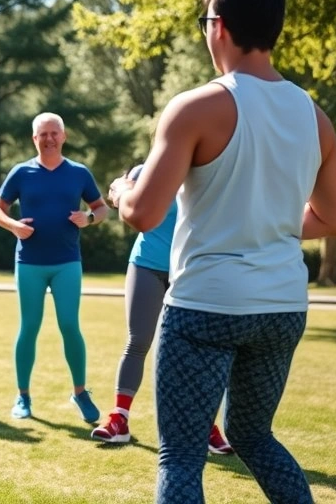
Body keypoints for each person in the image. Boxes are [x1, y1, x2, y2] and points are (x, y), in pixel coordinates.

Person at [108, 0, 336, 504]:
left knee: (182, 455)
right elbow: (333, 220)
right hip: (282, 308)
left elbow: (143, 215)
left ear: (217, 25)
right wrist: (273, 222)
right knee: (254, 435)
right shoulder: (315, 116)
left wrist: (123, 188)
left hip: (205, 307)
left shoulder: (196, 107)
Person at [91, 164, 232, 455]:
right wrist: (122, 188)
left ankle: (206, 427)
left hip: (190, 271)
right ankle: (119, 420)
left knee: (200, 350)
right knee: (138, 340)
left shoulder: (209, 170)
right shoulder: (146, 171)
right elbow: (121, 201)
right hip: (147, 264)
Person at [0, 112, 109, 424]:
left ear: (64, 136)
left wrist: (90, 218)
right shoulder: (21, 172)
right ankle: (23, 396)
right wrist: (14, 226)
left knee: (70, 325)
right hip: (29, 262)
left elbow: (102, 208)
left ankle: (80, 393)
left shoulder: (79, 173)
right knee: (29, 327)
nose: (49, 138)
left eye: (54, 133)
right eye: (42, 134)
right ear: (34, 138)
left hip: (67, 262)